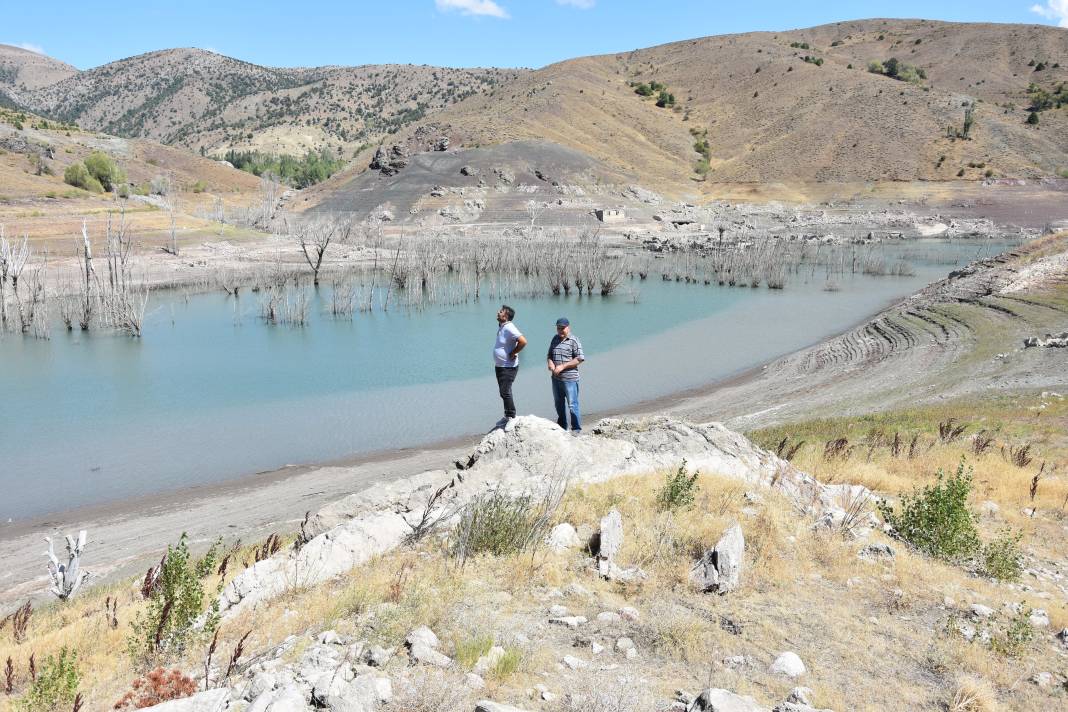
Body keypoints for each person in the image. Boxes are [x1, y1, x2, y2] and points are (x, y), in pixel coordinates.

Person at [546, 317, 584, 432]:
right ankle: (562, 427)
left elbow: (580, 358)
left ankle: (576, 429)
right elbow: (549, 355)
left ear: (568, 327)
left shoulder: (574, 340)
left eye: (562, 328)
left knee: (572, 405)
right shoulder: (554, 339)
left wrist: (562, 366)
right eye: (558, 328)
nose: (560, 330)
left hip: (570, 379)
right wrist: (550, 363)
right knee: (558, 404)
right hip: (556, 379)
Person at [493, 305, 526, 427]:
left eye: (500, 311)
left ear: (506, 316)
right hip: (500, 365)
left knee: (505, 391)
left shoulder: (510, 327)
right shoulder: (502, 326)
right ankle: (507, 415)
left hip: (509, 366)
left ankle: (512, 417)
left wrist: (513, 352)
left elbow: (523, 341)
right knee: (503, 392)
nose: (498, 312)